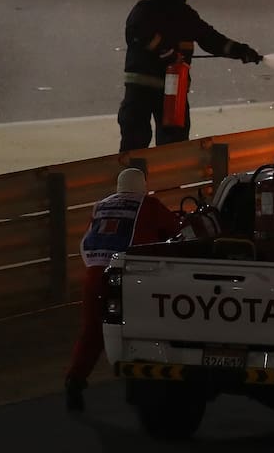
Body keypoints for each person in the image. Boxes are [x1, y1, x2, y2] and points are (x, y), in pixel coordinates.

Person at [64, 168, 181, 411]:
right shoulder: (148, 205)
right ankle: (139, 387)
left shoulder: (101, 205)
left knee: (91, 331)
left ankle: (74, 380)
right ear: (143, 186)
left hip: (94, 274)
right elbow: (175, 229)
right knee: (142, 328)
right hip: (129, 276)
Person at [117, 0, 263, 152]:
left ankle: (137, 177)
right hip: (150, 88)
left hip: (169, 88)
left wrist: (242, 51)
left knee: (157, 141)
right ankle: (150, 177)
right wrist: (167, 53)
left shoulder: (180, 13)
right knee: (159, 142)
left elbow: (212, 40)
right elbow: (137, 34)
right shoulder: (151, 9)